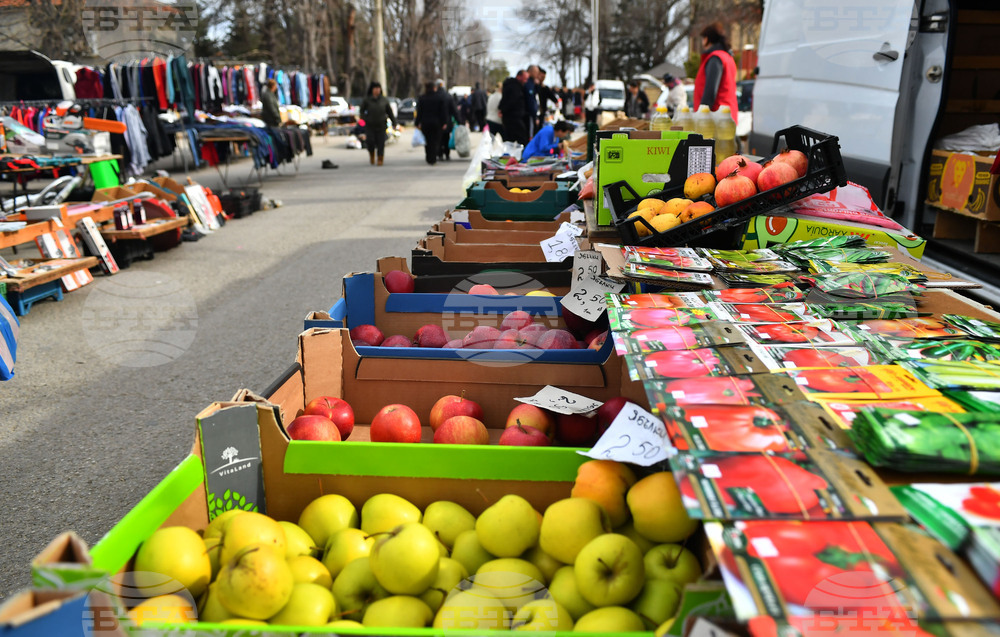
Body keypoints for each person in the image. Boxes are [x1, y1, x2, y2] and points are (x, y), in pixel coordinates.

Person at [694, 21, 738, 121]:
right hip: (726, 117)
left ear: (707, 39)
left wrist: (701, 117)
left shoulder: (715, 59)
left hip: (716, 119)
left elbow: (710, 91)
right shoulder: (727, 57)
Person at [359, 81, 397, 166]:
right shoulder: (367, 100)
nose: (377, 90)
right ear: (372, 90)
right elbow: (361, 111)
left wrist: (394, 123)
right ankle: (372, 154)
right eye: (375, 88)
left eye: (378, 88)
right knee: (370, 141)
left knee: (381, 143)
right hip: (370, 125)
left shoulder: (384, 100)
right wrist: (364, 119)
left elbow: (389, 112)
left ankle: (380, 158)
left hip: (381, 125)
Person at [415, 81, 448, 165]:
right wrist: (444, 122)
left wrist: (417, 122)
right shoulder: (439, 98)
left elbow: (419, 112)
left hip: (425, 123)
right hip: (437, 123)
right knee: (435, 141)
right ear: (434, 88)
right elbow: (443, 111)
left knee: (427, 140)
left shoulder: (422, 98)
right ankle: (433, 158)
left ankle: (428, 156)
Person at [499, 70, 529, 145]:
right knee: (520, 139)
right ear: (519, 77)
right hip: (513, 118)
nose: (526, 81)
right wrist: (503, 110)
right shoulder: (514, 87)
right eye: (525, 79)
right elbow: (510, 101)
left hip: (512, 117)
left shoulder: (513, 86)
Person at [436, 79, 459, 161]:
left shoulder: (435, 95)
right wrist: (459, 120)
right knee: (446, 138)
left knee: (438, 139)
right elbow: (454, 110)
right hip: (447, 121)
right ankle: (447, 154)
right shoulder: (448, 96)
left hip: (437, 122)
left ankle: (439, 154)